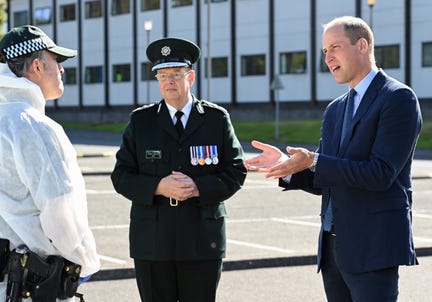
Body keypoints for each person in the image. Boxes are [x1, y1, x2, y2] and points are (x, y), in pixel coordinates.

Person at [245, 16, 421, 302]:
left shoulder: (398, 98)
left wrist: (314, 160)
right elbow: (328, 177)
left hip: (374, 248)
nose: (328, 57)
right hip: (333, 252)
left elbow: (380, 174)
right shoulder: (336, 109)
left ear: (362, 45)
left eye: (335, 47)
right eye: (325, 51)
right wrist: (287, 168)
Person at [0, 25, 100, 301]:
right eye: (56, 61)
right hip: (37, 286)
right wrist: (85, 261)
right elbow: (61, 211)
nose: (61, 70)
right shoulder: (33, 125)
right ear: (36, 66)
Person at [111, 37, 247, 302]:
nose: (169, 81)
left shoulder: (215, 119)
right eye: (162, 76)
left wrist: (198, 188)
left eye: (175, 74)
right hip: (153, 242)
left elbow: (236, 170)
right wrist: (158, 186)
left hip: (201, 240)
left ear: (191, 77)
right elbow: (121, 176)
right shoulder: (141, 121)